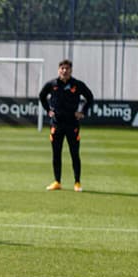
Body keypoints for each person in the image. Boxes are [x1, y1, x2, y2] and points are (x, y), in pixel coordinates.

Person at [39, 59, 94, 192]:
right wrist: (48, 110)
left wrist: (83, 112)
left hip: (72, 124)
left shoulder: (77, 84)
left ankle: (77, 182)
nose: (64, 71)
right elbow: (42, 96)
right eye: (62, 68)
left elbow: (90, 97)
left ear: (71, 70)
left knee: (74, 154)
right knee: (56, 154)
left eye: (67, 68)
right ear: (59, 70)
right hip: (56, 124)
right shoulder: (52, 84)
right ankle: (57, 181)